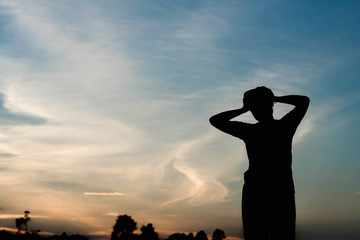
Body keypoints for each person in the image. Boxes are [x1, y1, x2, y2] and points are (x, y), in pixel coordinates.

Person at [209, 86, 309, 240]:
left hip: (264, 192)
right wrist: (272, 99)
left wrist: (245, 108)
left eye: (254, 107)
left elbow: (216, 120)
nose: (254, 112)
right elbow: (303, 101)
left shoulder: (254, 130)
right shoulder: (283, 127)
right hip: (276, 191)